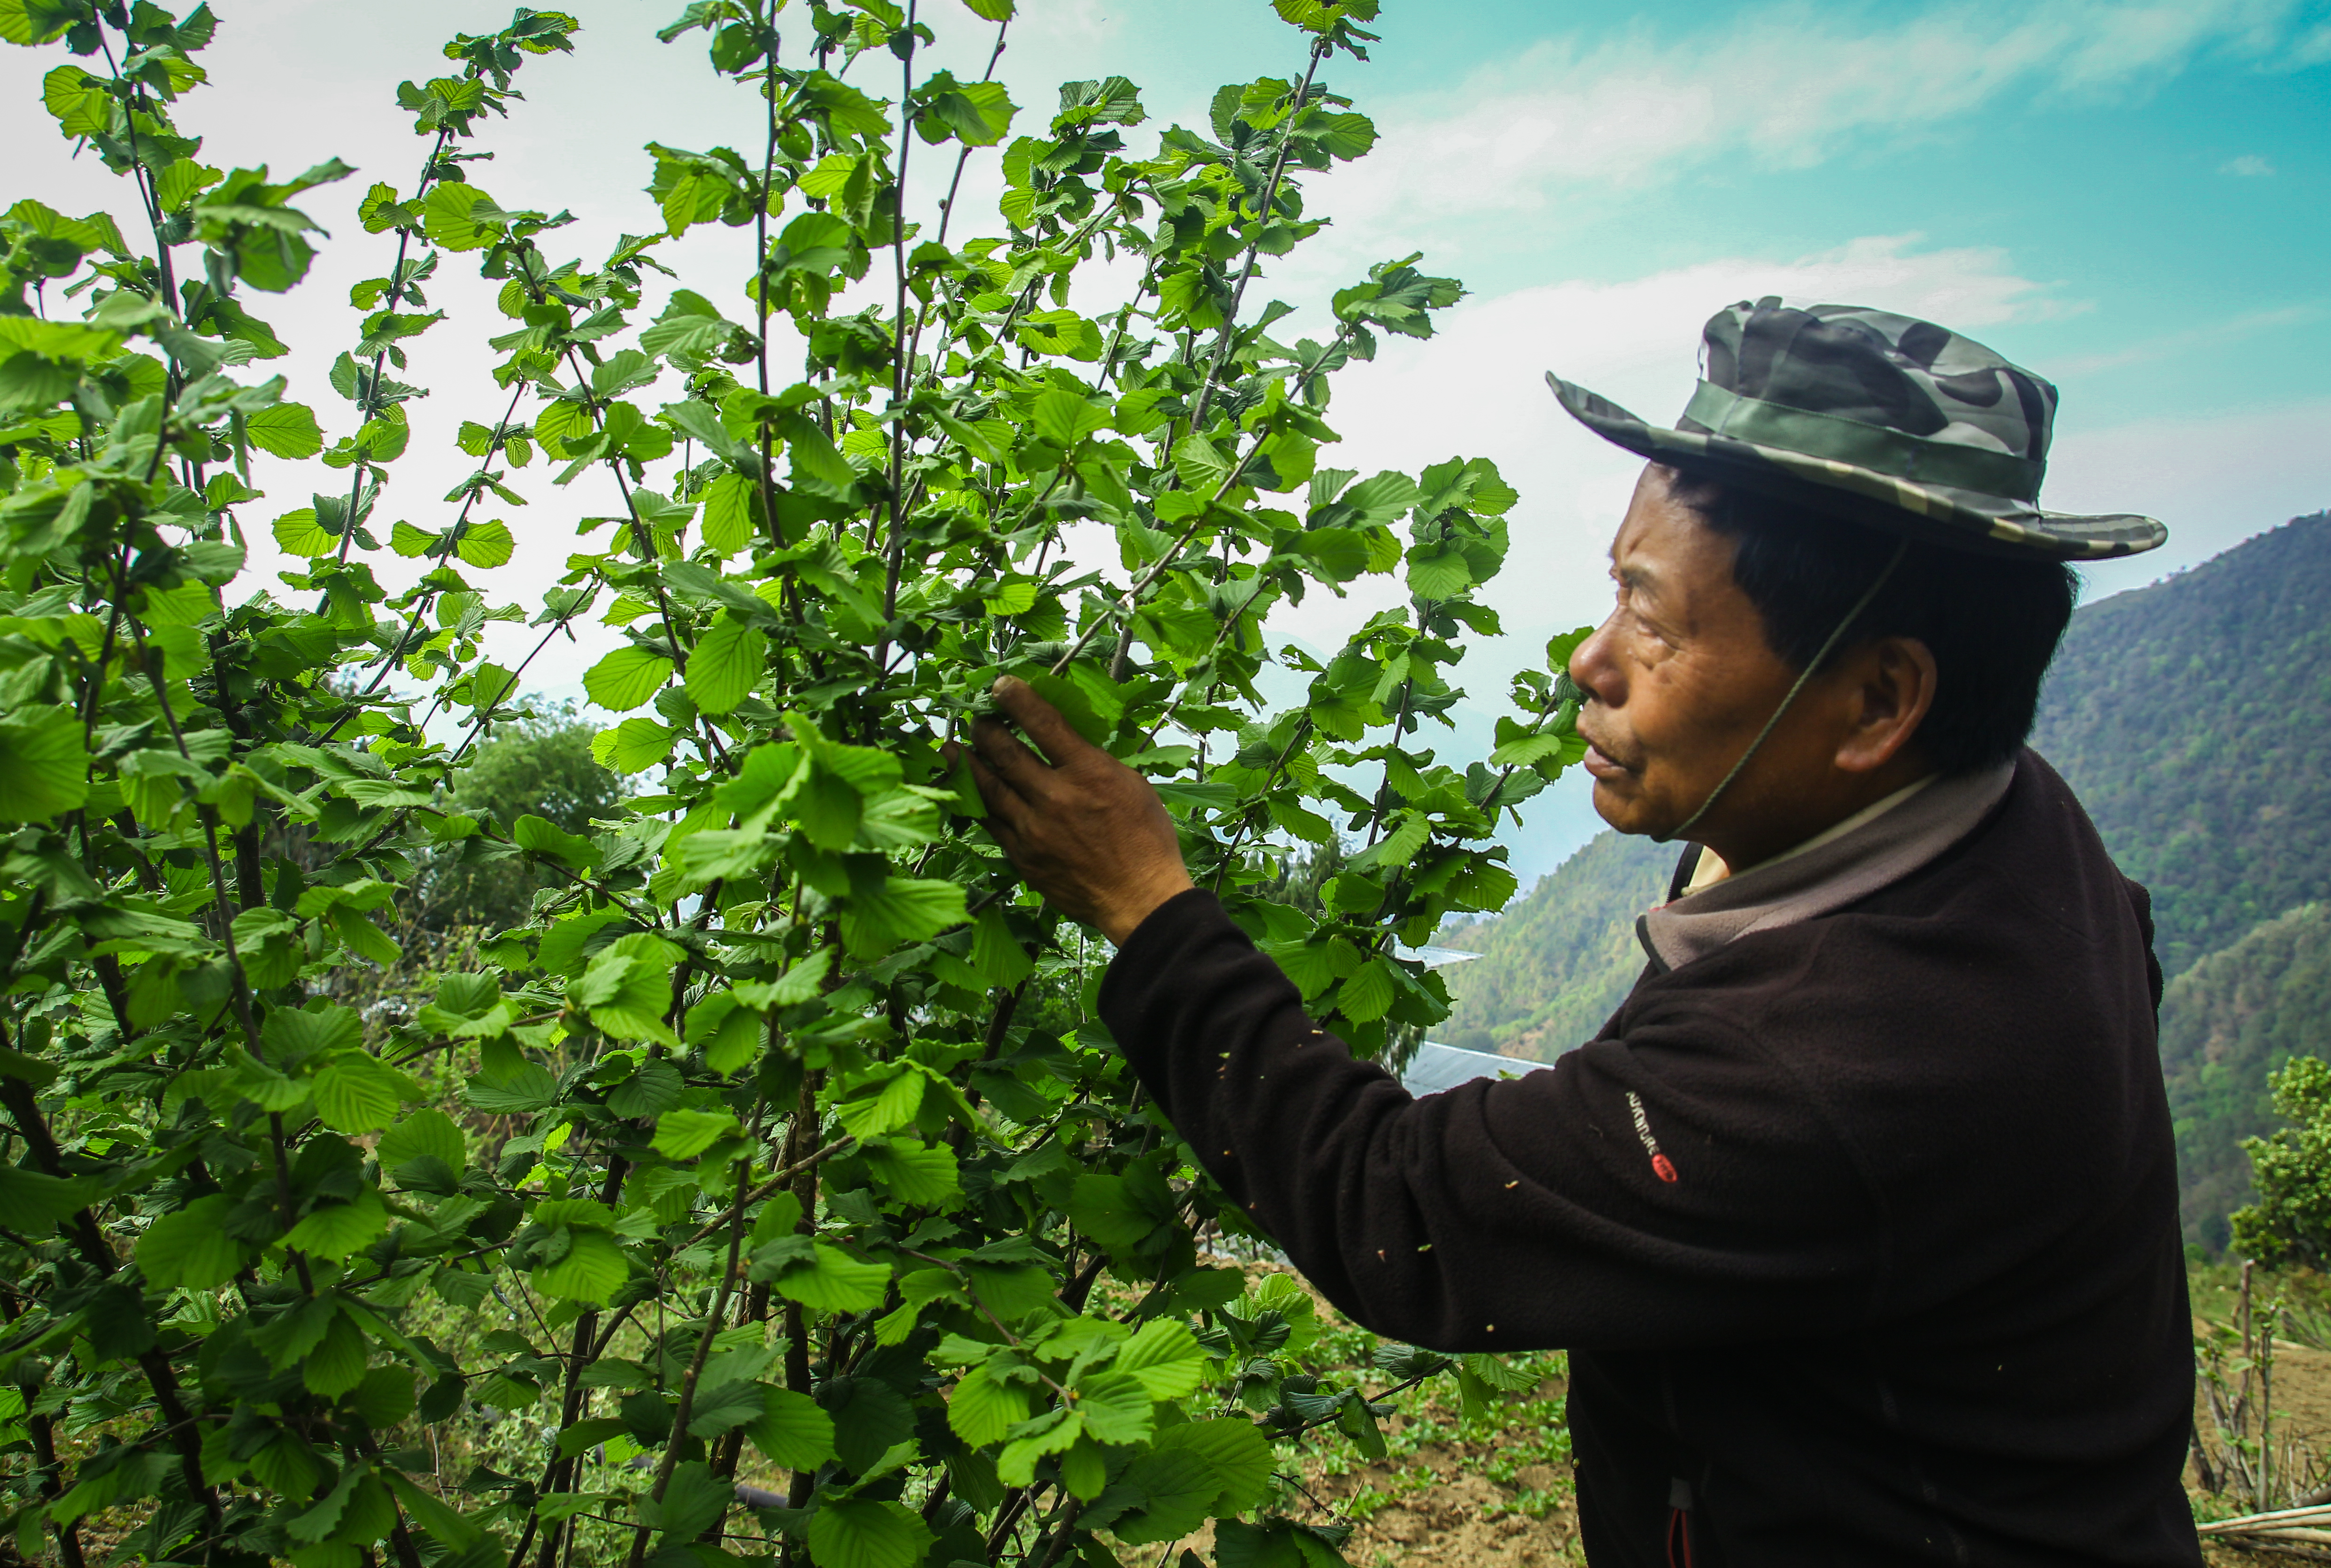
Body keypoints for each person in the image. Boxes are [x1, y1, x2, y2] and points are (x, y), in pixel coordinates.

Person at [949, 300, 2200, 1567]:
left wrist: (1144, 907)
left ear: (1877, 699)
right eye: (1615, 590)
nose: (1587, 661)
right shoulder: (1998, 819)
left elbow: (1405, 1204)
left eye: (1652, 622)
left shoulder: (1842, 1063)